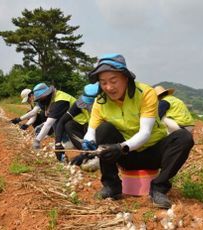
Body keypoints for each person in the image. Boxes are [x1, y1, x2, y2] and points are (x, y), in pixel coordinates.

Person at [82, 53, 194, 209]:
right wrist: (89, 142)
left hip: (152, 151)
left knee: (184, 137)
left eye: (113, 81)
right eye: (103, 82)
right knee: (104, 129)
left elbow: (145, 133)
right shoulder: (101, 101)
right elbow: (91, 130)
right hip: (126, 156)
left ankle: (158, 188)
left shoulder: (145, 93)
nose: (108, 87)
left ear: (126, 78)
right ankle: (111, 186)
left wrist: (120, 147)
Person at [54, 83, 100, 163]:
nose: (86, 106)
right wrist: (57, 144)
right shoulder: (79, 104)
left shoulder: (106, 106)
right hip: (90, 129)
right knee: (69, 125)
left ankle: (95, 153)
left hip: (103, 133)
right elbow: (62, 121)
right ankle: (86, 151)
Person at [32, 83, 76, 161]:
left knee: (57, 121)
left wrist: (37, 140)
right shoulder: (54, 97)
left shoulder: (60, 100)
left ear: (47, 94)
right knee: (56, 120)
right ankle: (64, 141)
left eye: (41, 98)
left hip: (80, 124)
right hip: (71, 122)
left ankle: (69, 142)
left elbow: (49, 123)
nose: (41, 101)